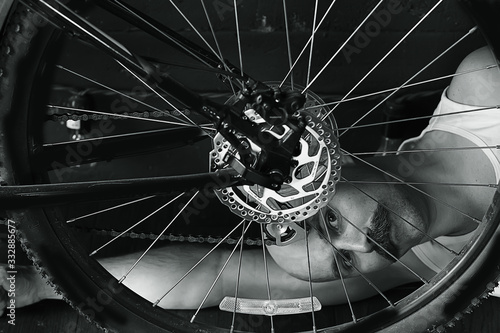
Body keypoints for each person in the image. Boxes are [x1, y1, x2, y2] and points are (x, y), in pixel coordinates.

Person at [1, 46, 499, 313]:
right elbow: (204, 279)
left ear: (329, 160)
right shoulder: (422, 269)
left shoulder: (485, 89)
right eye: (345, 263)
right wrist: (40, 287)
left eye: (326, 219)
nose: (365, 247)